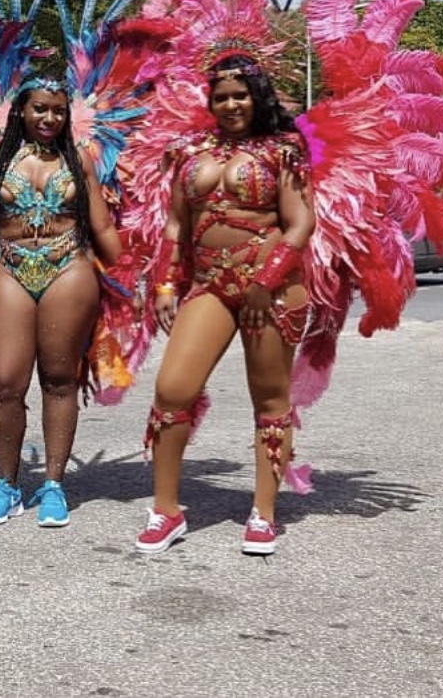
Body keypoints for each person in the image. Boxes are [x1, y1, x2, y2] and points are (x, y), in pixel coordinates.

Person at [135, 53, 315, 556]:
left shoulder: (284, 150)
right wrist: (166, 286)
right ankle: (166, 510)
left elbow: (300, 223)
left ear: (257, 95)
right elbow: (176, 225)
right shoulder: (190, 151)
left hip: (272, 289)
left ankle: (263, 512)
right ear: (210, 101)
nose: (231, 104)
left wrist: (266, 280)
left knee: (271, 400)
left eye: (240, 94)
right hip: (210, 284)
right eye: (221, 96)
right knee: (173, 390)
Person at [0, 70, 122, 527]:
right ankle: (6, 485)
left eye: (58, 110)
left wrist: (134, 281)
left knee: (60, 378)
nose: (49, 117)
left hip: (69, 269)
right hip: (10, 268)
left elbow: (101, 226)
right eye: (40, 108)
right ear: (21, 111)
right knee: (6, 383)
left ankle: (53, 485)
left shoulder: (80, 158)